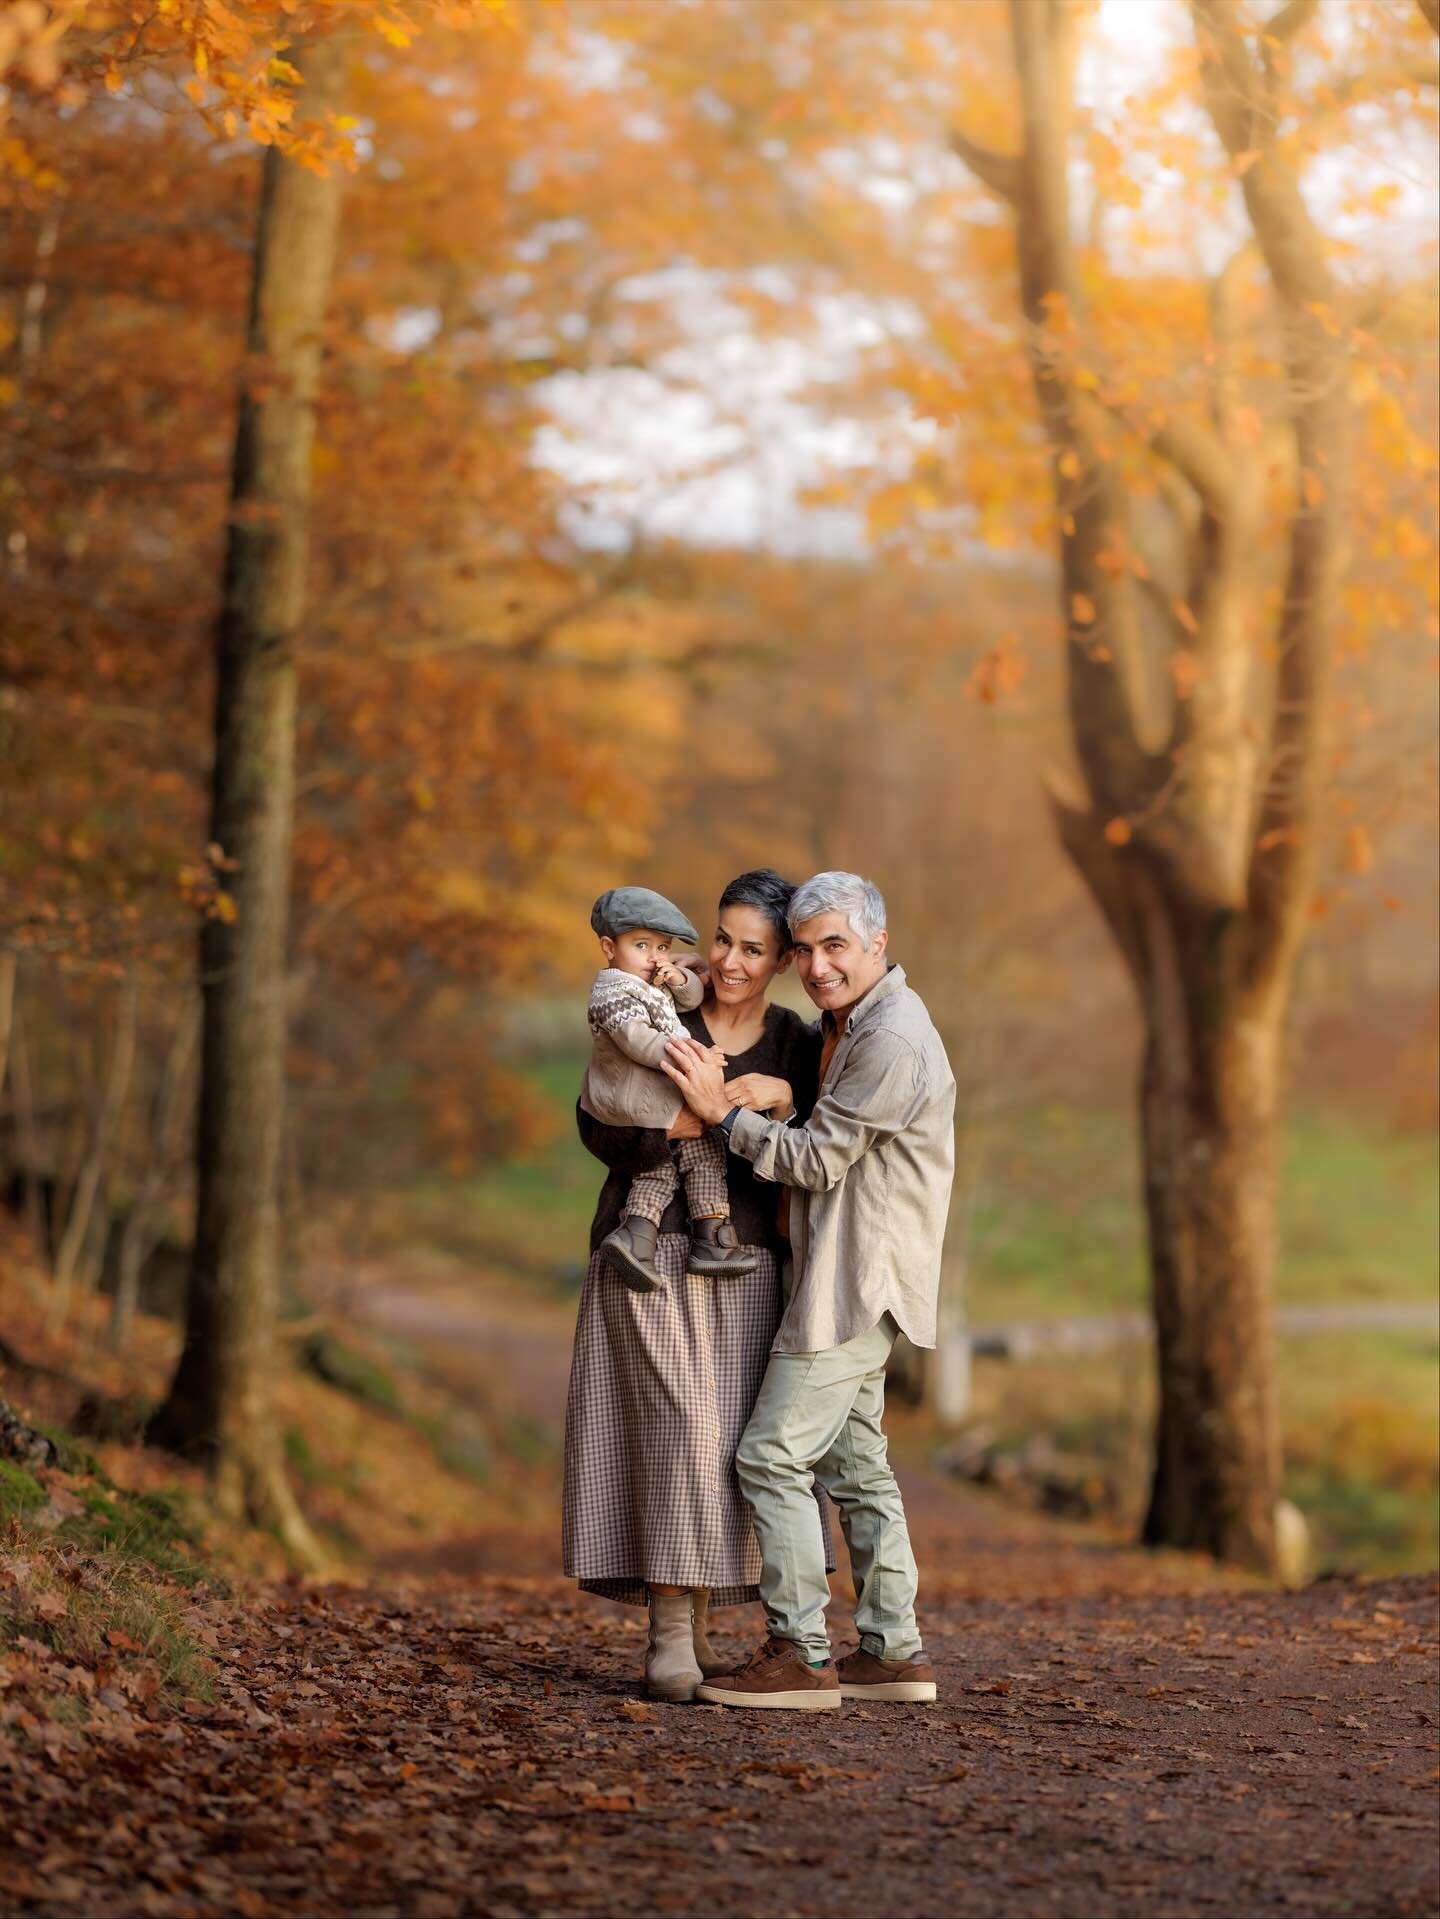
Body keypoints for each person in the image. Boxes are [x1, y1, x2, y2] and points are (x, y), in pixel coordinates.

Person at [661, 870, 955, 1713]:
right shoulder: (852, 1025)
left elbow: (820, 1161)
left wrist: (724, 1114)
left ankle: (800, 1652)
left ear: (878, 943)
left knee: (770, 1455)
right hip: (851, 1273)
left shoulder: (891, 1039)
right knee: (857, 1468)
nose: (819, 965)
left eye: (837, 945)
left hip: (853, 1281)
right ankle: (892, 1651)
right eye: (806, 948)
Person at [563, 869, 832, 1702]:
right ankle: (669, 1637)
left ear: (783, 960)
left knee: (723, 1448)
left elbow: (825, 1148)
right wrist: (674, 1125)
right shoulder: (659, 1004)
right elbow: (595, 1118)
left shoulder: (797, 1041)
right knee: (676, 1432)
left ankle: (702, 1626)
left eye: (753, 948)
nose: (729, 960)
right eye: (721, 939)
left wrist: (782, 1097)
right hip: (647, 1253)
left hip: (748, 1262)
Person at [583, 886, 758, 1289]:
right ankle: (703, 1235)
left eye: (662, 947)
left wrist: (679, 977)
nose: (654, 957)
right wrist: (693, 1056)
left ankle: (647, 1234)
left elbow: (691, 997)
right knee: (694, 1152)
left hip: (649, 1098)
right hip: (628, 1099)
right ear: (609, 948)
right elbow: (638, 1041)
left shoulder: (649, 983)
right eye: (641, 945)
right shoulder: (612, 990)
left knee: (673, 1163)